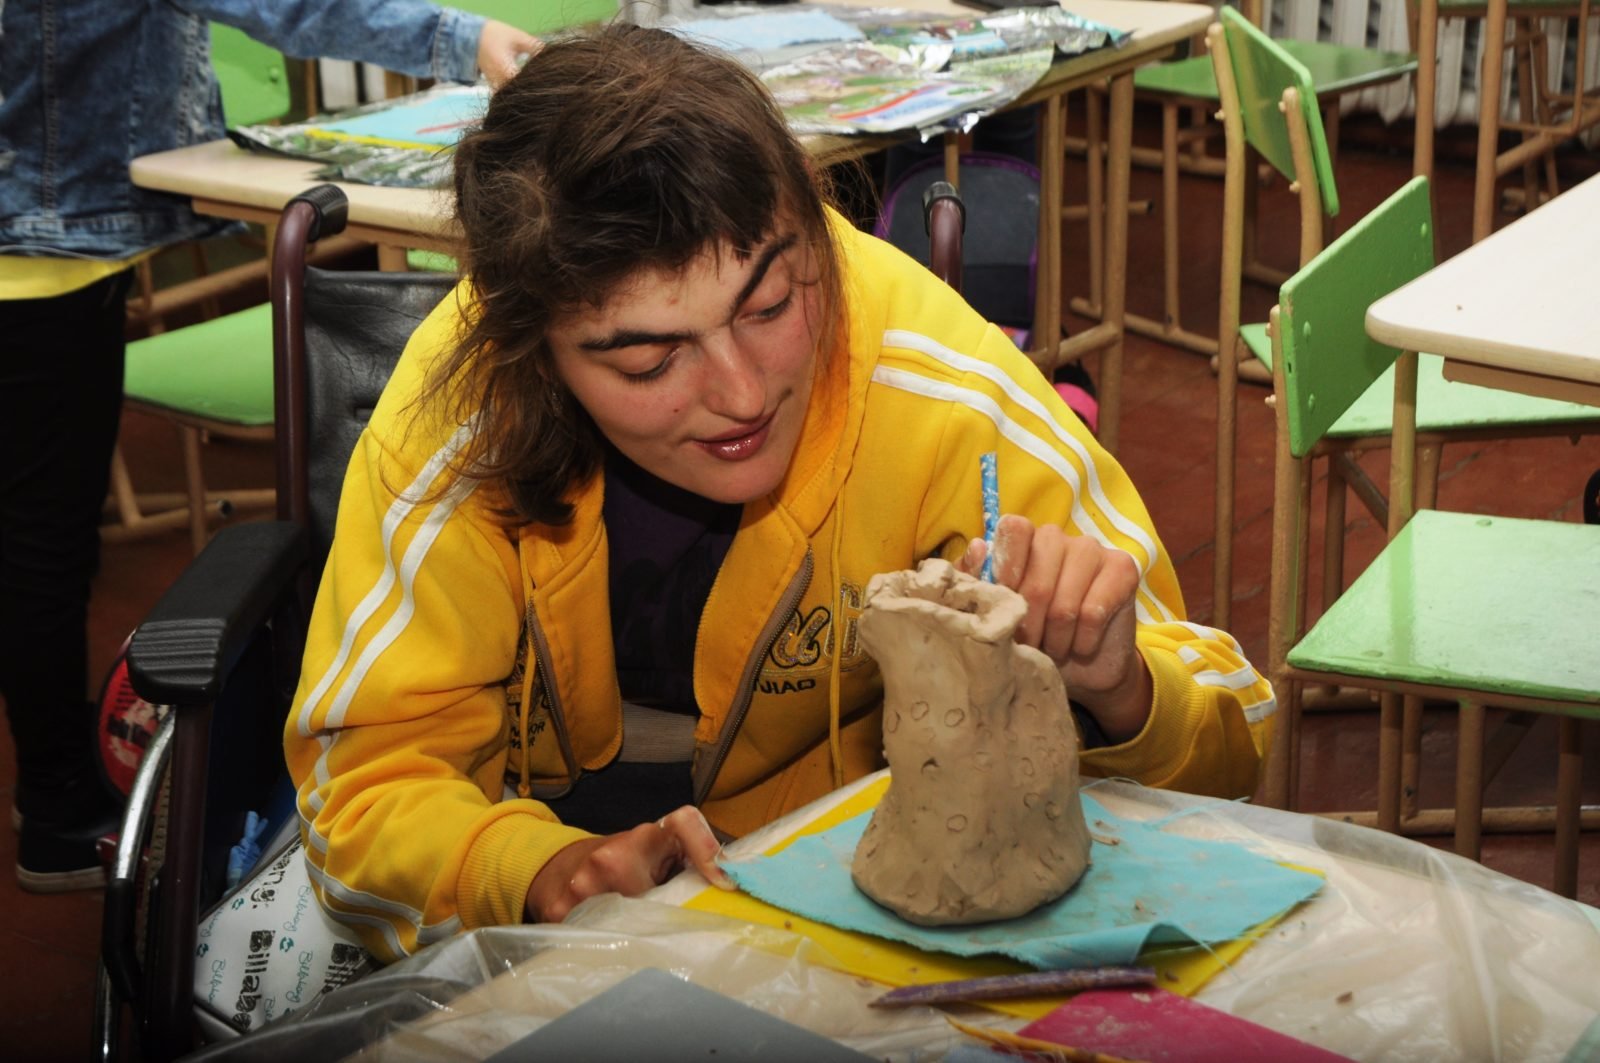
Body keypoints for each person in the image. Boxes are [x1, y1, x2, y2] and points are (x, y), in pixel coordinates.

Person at [285, 23, 1275, 962]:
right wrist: (532, 869)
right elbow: (364, 792)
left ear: (814, 224)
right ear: (533, 350)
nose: (742, 394)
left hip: (838, 896)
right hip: (549, 880)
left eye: (768, 304)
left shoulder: (935, 377)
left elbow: (1236, 736)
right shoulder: (464, 415)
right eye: (648, 360)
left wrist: (1121, 692)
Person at [0, 0, 539, 893]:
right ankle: (57, 811)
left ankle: (55, 781)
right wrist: (460, 38)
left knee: (34, 536)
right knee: (42, 546)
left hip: (37, 242)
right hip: (40, 261)